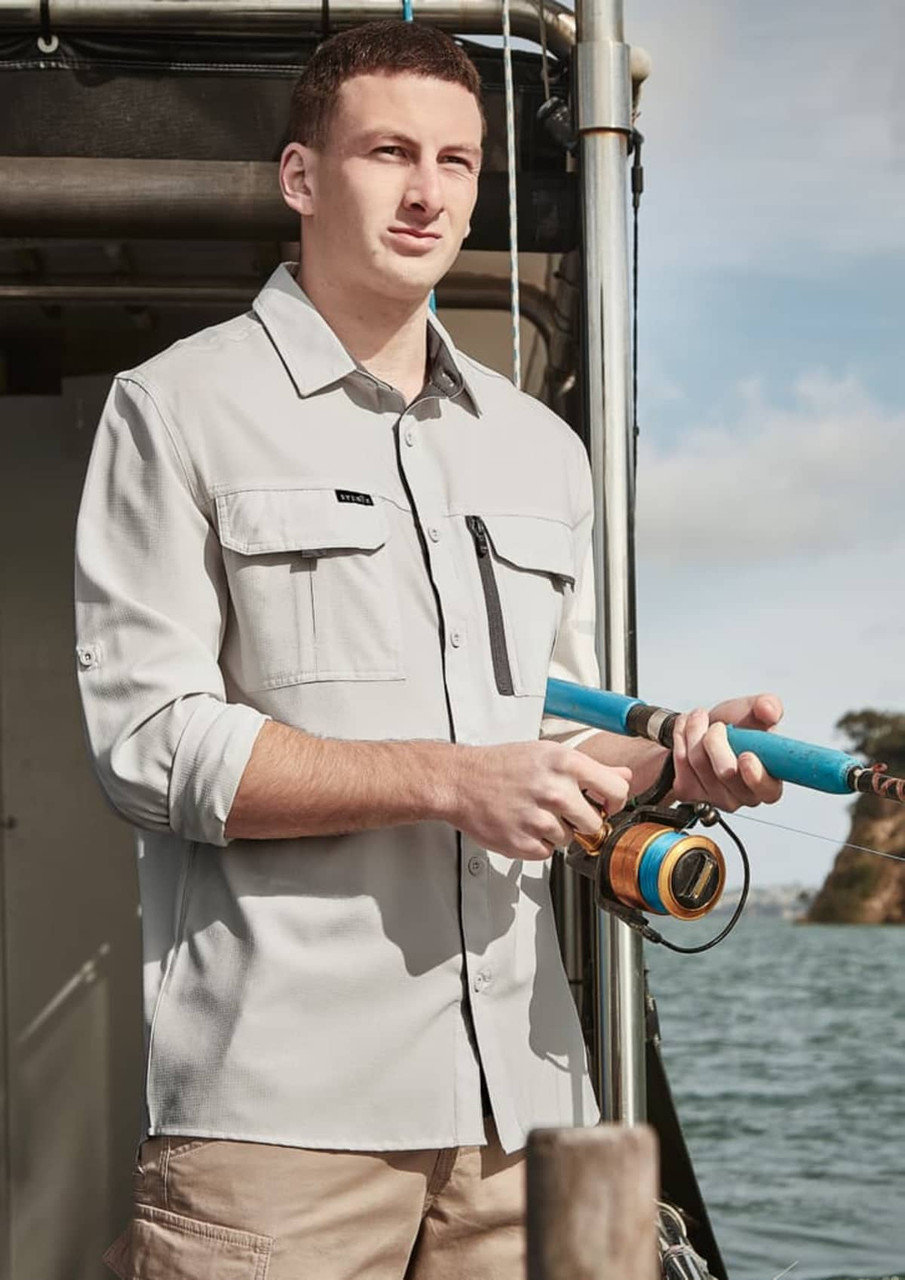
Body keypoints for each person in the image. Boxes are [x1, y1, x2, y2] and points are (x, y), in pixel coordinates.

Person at [75, 20, 782, 1280]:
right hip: (276, 1128)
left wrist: (675, 763)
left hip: (530, 1108)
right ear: (301, 177)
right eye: (388, 152)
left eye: (457, 162)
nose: (427, 193)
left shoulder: (537, 450)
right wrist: (451, 776)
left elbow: (551, 743)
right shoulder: (170, 407)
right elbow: (148, 743)